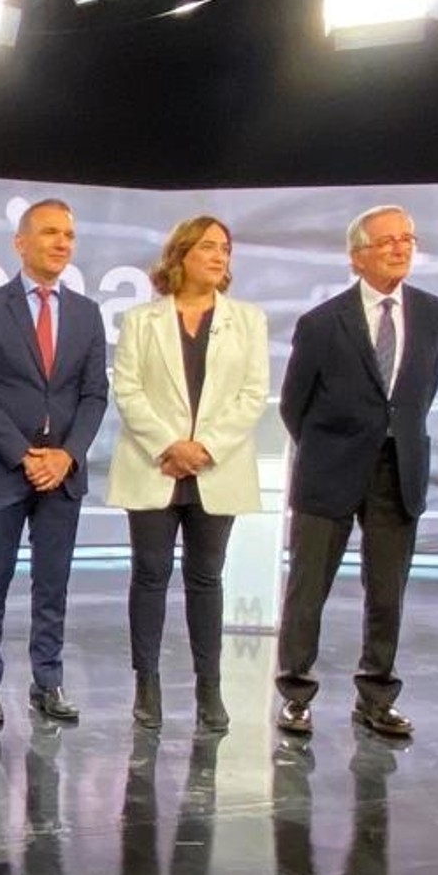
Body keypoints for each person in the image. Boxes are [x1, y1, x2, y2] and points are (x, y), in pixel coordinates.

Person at [273, 205, 438, 740]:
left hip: (401, 470)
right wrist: (334, 447)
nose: (400, 248)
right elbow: (293, 405)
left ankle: (376, 696)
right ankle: (296, 693)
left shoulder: (433, 313)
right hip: (329, 471)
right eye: (387, 241)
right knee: (308, 589)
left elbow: (421, 393)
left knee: (387, 591)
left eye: (407, 239)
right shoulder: (323, 322)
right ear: (357, 256)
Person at [106, 215, 269, 732]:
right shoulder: (141, 320)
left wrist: (204, 448)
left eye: (225, 248)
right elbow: (127, 390)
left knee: (206, 579)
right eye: (207, 247)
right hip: (155, 465)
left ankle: (209, 689)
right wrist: (169, 446)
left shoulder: (248, 320)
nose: (219, 256)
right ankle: (147, 685)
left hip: (213, 469)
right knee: (150, 576)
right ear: (180, 256)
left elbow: (252, 394)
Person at [0, 198, 108, 725]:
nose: (62, 243)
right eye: (49, 233)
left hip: (63, 475)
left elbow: (94, 396)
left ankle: (48, 681)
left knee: (53, 583)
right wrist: (25, 456)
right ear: (20, 243)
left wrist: (66, 455)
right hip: (2, 469)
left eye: (68, 234)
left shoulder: (88, 315)